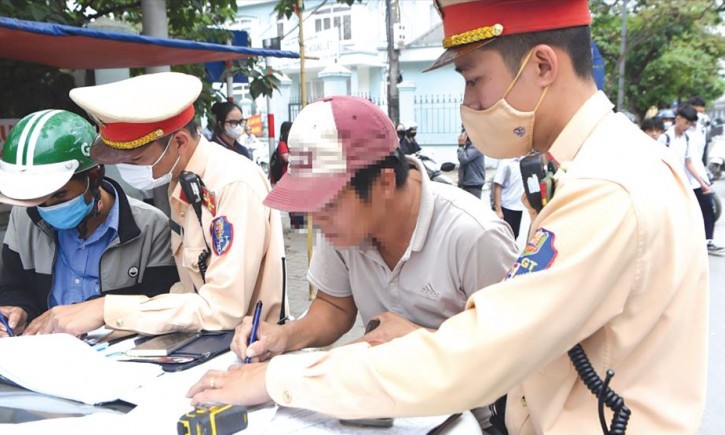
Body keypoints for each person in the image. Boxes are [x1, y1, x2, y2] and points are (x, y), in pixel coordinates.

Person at [188, 2, 708, 434]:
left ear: (543, 66)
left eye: (474, 79)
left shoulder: (607, 187)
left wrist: (281, 379)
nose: (470, 104)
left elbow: (480, 353)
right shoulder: (607, 166)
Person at [228, 96, 517, 386]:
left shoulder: (475, 235)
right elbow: (334, 306)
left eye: (327, 205)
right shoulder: (344, 227)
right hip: (384, 401)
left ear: (385, 184)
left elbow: (515, 350)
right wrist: (285, 336)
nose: (318, 221)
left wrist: (424, 343)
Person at [38, 71, 289, 336]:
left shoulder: (232, 184)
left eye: (135, 160)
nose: (125, 171)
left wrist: (107, 310)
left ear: (179, 142)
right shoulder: (183, 181)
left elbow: (222, 309)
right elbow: (189, 288)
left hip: (247, 351)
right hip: (208, 342)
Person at [0, 110, 178, 337]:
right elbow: (15, 287)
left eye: (59, 195)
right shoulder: (22, 217)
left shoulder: (151, 228)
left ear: (94, 177)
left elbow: (162, 309)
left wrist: (101, 312)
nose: (48, 207)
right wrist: (19, 312)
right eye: (38, 200)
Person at [660, 104, 724, 255]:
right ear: (678, 119)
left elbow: (688, 163)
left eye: (690, 124)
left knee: (705, 207)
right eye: (686, 122)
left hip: (685, 181)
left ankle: (706, 240)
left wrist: (702, 182)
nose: (688, 126)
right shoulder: (665, 138)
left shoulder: (687, 138)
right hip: (668, 183)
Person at [492, 157, 525, 239]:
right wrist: (498, 210)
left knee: (515, 234)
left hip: (518, 207)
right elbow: (497, 186)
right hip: (506, 206)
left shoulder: (524, 162)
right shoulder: (506, 163)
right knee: (505, 236)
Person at [456, 127, 486, 198]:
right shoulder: (468, 146)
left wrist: (460, 145)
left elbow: (464, 158)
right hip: (467, 184)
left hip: (473, 185)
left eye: (464, 131)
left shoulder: (477, 146)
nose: (462, 135)